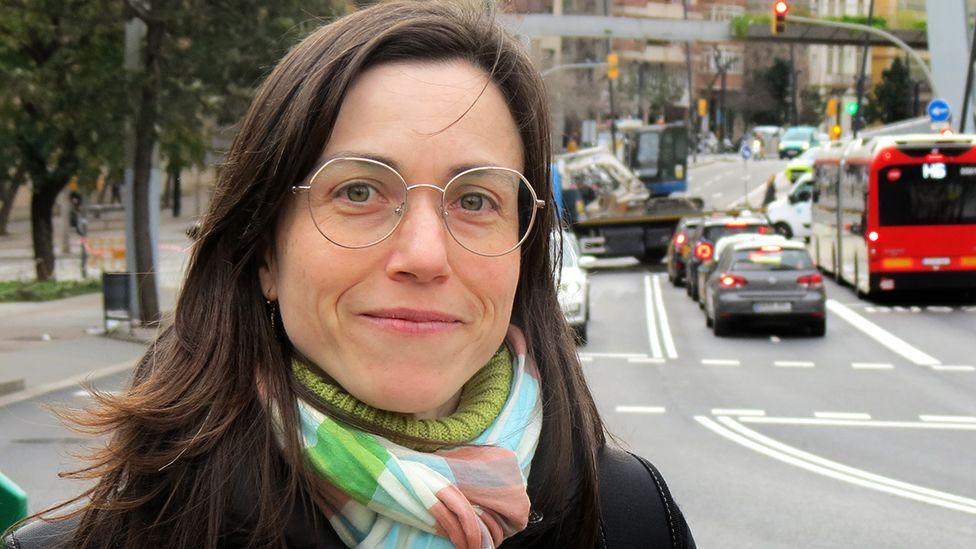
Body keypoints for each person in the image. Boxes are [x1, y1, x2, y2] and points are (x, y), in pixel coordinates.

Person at [3, 2, 694, 548]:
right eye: (359, 191)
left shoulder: (632, 519)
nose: (425, 255)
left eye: (476, 199)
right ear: (265, 251)